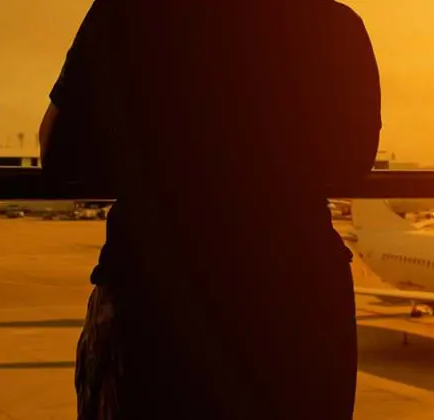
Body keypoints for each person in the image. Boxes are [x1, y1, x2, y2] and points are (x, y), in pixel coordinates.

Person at [38, 1, 381, 418]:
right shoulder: (334, 23)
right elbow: (352, 163)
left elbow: (61, 153)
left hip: (158, 297)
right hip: (297, 300)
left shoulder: (127, 13)